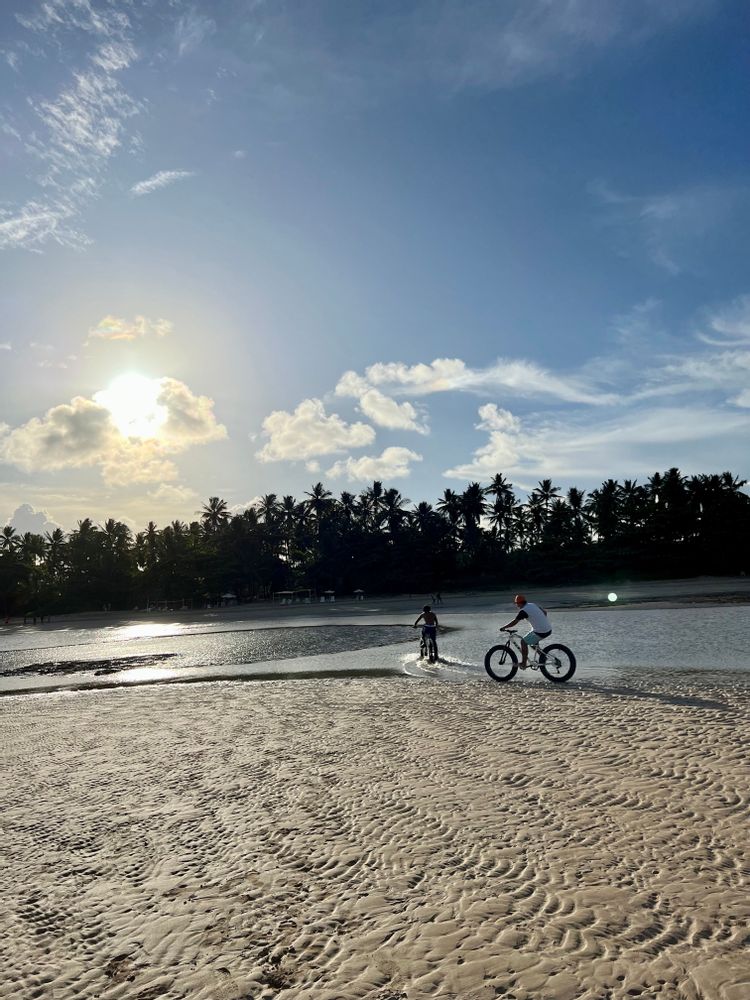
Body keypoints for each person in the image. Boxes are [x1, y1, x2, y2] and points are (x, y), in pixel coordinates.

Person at [499, 594, 551, 669]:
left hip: (540, 631)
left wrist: (504, 627)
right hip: (548, 629)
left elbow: (514, 622)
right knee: (533, 644)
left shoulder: (523, 611)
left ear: (520, 603)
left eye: (516, 603)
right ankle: (543, 657)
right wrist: (541, 621)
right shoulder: (532, 605)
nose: (516, 605)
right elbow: (545, 612)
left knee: (523, 642)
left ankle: (523, 663)